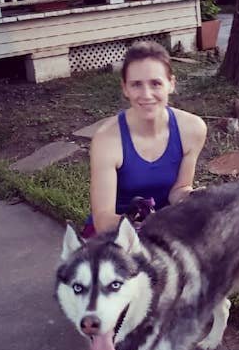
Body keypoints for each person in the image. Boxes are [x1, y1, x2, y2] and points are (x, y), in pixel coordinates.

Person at [82, 41, 207, 236]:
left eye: (156, 83)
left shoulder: (192, 129)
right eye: (136, 84)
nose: (146, 94)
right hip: (116, 234)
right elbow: (103, 220)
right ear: (125, 88)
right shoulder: (107, 139)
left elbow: (179, 189)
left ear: (171, 84)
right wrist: (148, 223)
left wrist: (193, 198)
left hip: (165, 230)